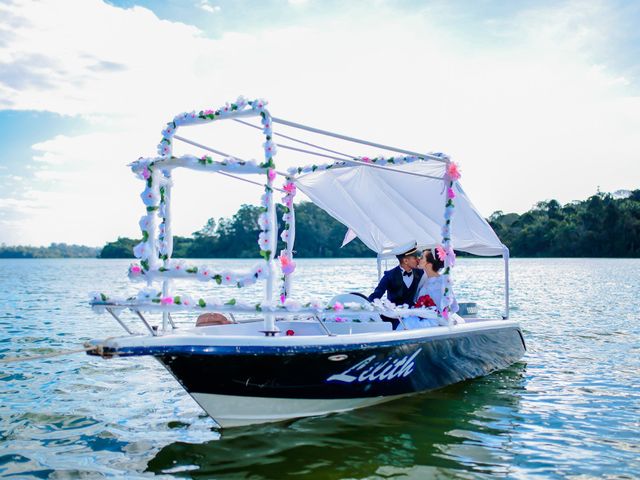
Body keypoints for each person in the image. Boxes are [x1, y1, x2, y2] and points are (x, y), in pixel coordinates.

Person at [368, 243, 424, 329]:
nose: (418, 259)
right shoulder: (389, 275)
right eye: (415, 257)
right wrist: (369, 306)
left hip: (413, 315)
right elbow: (376, 294)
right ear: (405, 261)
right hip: (394, 318)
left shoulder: (420, 273)